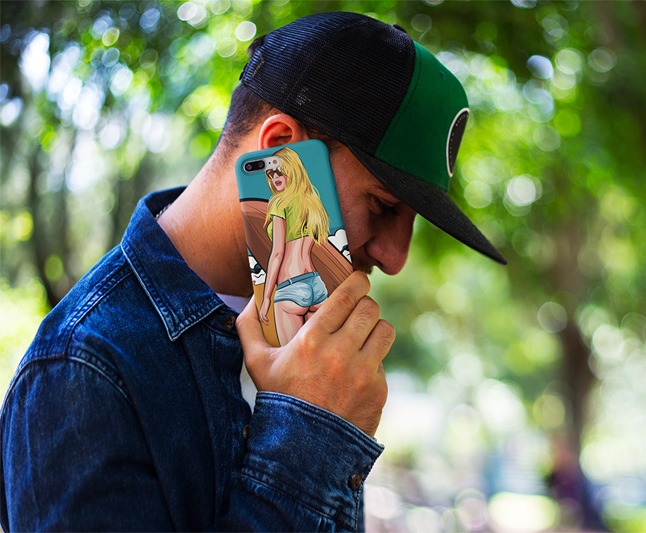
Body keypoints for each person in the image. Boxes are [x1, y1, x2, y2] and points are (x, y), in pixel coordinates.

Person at [0, 11, 506, 531]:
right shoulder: (82, 369)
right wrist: (310, 431)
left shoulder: (305, 337)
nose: (395, 258)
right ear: (281, 153)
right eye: (382, 205)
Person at [259, 147, 331, 344]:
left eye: (279, 171)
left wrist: (266, 298)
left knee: (290, 358)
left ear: (292, 170)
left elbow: (277, 253)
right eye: (270, 174)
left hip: (290, 288)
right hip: (316, 284)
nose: (274, 178)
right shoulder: (313, 203)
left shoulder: (279, 203)